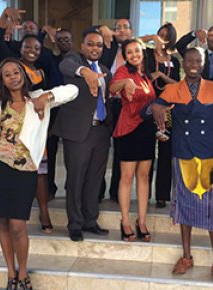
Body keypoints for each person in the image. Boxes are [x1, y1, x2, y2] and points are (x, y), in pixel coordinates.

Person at [0, 58, 78, 290]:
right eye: (7, 74)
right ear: (2, 81)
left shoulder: (37, 100)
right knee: (2, 224)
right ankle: (11, 274)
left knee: (17, 226)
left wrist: (47, 97)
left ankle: (23, 273)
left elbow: (73, 90)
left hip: (25, 170)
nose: (13, 76)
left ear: (23, 74)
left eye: (16, 72)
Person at [150, 47, 213, 279]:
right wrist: (155, 107)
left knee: (212, 211)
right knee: (184, 209)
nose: (194, 64)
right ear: (182, 63)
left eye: (198, 60)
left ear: (204, 64)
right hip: (183, 156)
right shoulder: (172, 89)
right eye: (189, 60)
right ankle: (187, 256)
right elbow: (151, 110)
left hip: (210, 158)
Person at [0, 7, 54, 233]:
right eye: (27, 46)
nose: (31, 50)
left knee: (40, 173)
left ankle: (44, 213)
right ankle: (12, 212)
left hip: (34, 130)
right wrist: (4, 17)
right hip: (10, 128)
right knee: (11, 171)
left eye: (36, 47)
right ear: (20, 48)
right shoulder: (12, 66)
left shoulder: (41, 71)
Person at [53, 28, 112, 242]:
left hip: (101, 131)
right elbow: (65, 65)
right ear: (82, 46)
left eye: (99, 45)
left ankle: (90, 220)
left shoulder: (106, 70)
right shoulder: (73, 62)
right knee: (76, 179)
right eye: (90, 44)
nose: (95, 48)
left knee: (94, 180)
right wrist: (85, 72)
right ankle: (75, 224)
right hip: (78, 133)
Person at [109, 38, 156, 242]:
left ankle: (142, 221)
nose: (134, 55)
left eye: (137, 51)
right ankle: (126, 221)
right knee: (127, 177)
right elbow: (112, 88)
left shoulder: (144, 76)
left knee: (144, 177)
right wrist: (125, 82)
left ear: (142, 51)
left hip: (146, 130)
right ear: (125, 56)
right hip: (128, 129)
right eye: (129, 52)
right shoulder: (124, 72)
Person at [141, 22, 180, 208]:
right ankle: (145, 192)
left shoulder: (175, 60)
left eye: (166, 36)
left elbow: (178, 84)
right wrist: (150, 39)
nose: (162, 39)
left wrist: (162, 76)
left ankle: (162, 195)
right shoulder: (147, 55)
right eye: (160, 35)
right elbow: (131, 44)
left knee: (166, 153)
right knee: (147, 151)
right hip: (149, 108)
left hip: (168, 111)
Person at [97, 19, 134, 203]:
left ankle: (116, 192)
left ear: (131, 31)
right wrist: (101, 28)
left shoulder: (136, 52)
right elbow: (90, 32)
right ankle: (97, 191)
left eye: (125, 27)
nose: (120, 30)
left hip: (126, 106)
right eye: (117, 27)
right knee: (101, 148)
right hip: (106, 104)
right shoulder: (108, 46)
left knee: (122, 150)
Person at [40, 28, 74, 200]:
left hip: (73, 112)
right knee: (50, 151)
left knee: (72, 154)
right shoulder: (50, 59)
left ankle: (71, 188)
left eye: (67, 39)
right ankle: (49, 188)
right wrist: (43, 33)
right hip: (53, 111)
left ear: (72, 41)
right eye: (60, 40)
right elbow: (37, 48)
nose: (63, 42)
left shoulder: (78, 60)